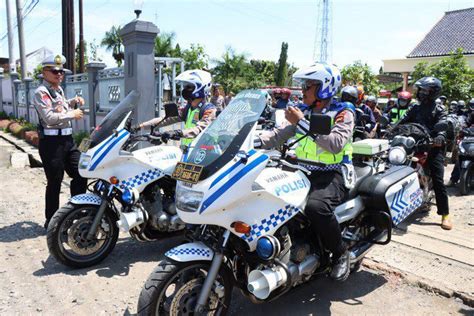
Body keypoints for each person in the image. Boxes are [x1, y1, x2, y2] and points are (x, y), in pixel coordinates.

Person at [256, 63, 355, 281]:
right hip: (301, 171)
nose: (304, 91)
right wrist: (248, 141)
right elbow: (277, 135)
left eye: (309, 86)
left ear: (324, 88)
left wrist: (300, 122)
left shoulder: (342, 112)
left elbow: (336, 143)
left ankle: (340, 254)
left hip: (332, 173)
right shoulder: (305, 111)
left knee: (316, 207)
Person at [33, 54, 87, 229]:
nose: (59, 75)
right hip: (51, 143)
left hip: (67, 141)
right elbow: (48, 117)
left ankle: (75, 212)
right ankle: (52, 221)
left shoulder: (58, 90)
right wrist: (72, 114)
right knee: (55, 181)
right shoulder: (41, 92)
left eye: (61, 72)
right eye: (55, 71)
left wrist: (73, 102)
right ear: (45, 72)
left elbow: (61, 105)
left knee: (81, 172)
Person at [395, 77, 452, 230]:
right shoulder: (415, 108)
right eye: (420, 90)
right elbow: (402, 121)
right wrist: (389, 129)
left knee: (439, 181)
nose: (420, 93)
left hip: (433, 147)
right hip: (415, 144)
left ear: (433, 92)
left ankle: (445, 215)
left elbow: (443, 125)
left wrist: (440, 136)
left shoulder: (439, 109)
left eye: (424, 90)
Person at [138, 69, 216, 146]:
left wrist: (177, 133)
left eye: (189, 87)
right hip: (190, 152)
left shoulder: (208, 110)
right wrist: (140, 126)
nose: (185, 90)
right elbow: (166, 119)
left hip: (206, 153)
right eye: (185, 87)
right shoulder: (188, 108)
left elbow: (200, 129)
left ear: (200, 88)